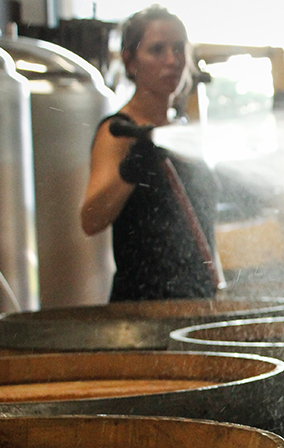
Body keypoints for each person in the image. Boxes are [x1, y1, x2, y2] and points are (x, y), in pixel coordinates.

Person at [81, 4, 220, 302]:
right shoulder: (119, 132)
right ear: (131, 61)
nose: (172, 60)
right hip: (143, 311)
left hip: (198, 304)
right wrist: (130, 170)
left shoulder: (183, 131)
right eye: (157, 50)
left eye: (178, 48)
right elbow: (90, 220)